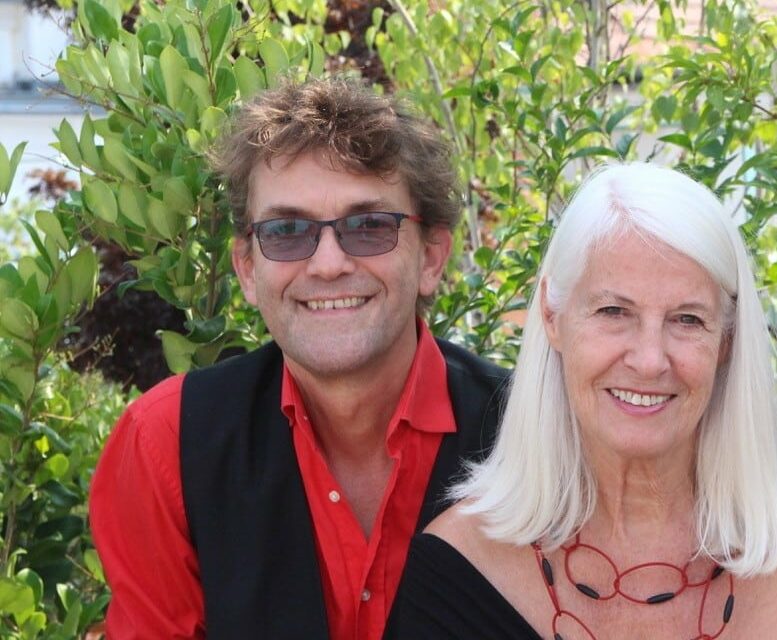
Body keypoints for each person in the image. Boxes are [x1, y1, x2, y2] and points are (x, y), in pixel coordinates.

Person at [389, 163, 777, 639]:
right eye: (613, 311)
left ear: (727, 341)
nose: (650, 361)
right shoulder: (461, 570)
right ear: (551, 316)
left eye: (688, 319)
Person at [88, 78, 507, 640]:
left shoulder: (536, 437)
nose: (328, 264)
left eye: (368, 226)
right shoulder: (165, 445)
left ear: (431, 258)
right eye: (287, 231)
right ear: (247, 269)